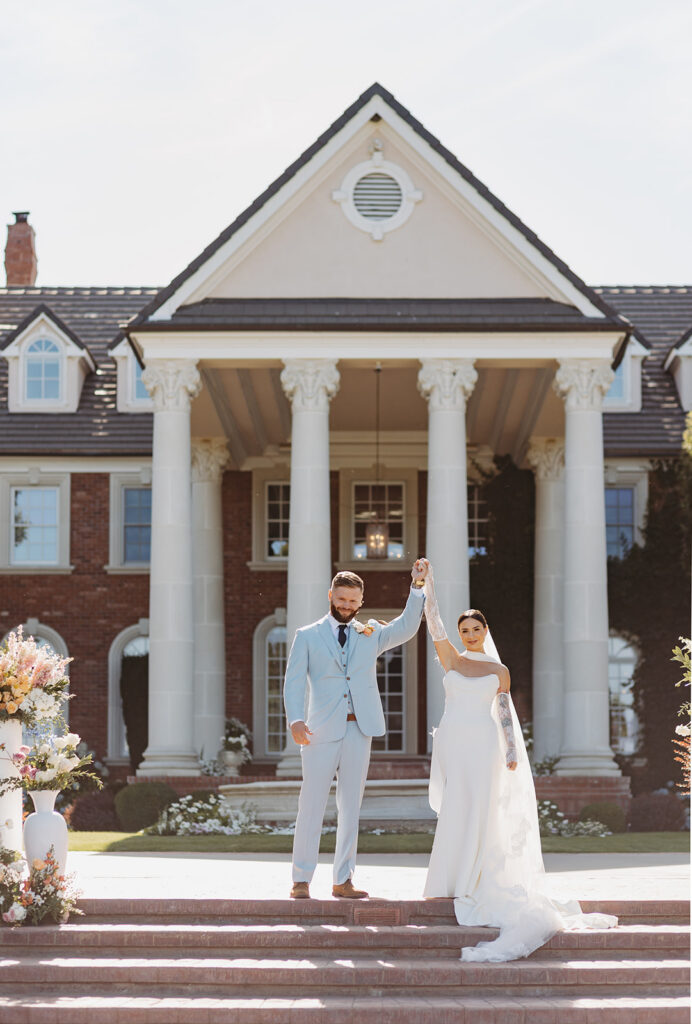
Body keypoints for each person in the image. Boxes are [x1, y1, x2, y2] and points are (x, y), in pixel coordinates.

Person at [420, 558, 617, 961]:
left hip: (486, 743)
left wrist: (511, 753)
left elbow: (506, 716)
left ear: (485, 632)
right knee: (457, 805)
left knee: (482, 808)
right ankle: (449, 878)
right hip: (455, 742)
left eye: (476, 629)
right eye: (465, 631)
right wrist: (428, 585)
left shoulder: (500, 670)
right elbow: (434, 623)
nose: (470, 635)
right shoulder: (452, 660)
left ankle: (476, 879)